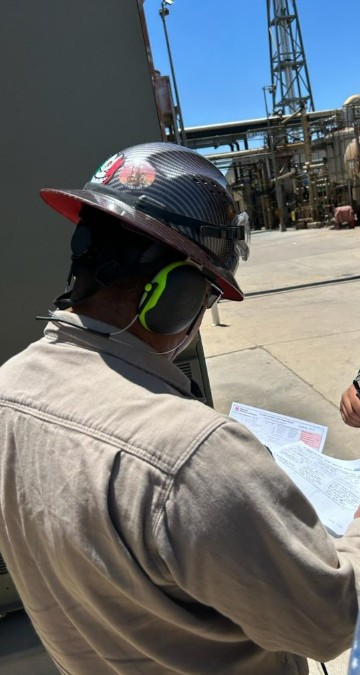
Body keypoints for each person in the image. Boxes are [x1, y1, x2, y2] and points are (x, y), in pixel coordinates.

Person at [0, 141, 360, 675]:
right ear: (178, 293)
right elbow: (330, 624)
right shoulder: (195, 457)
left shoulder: (7, 390)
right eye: (207, 295)